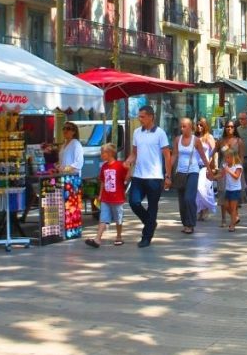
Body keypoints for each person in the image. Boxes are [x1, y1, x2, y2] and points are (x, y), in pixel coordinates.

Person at [124, 105, 172, 248]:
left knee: (152, 208)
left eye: (142, 116)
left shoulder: (160, 133)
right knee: (134, 202)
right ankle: (151, 223)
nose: (140, 119)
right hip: (138, 175)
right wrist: (128, 162)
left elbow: (167, 155)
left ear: (151, 116)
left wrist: (168, 176)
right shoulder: (137, 132)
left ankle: (146, 236)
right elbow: (134, 153)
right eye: (139, 116)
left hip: (154, 177)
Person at [172, 117, 211, 234]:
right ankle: (185, 224)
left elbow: (203, 156)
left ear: (190, 127)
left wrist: (209, 170)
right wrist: (167, 172)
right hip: (180, 172)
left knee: (189, 198)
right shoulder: (177, 139)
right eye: (181, 126)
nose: (182, 128)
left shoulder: (196, 140)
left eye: (184, 126)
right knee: (182, 200)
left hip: (193, 172)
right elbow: (174, 155)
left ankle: (191, 223)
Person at [86, 144, 128, 248]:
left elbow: (127, 178)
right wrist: (100, 195)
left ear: (110, 153)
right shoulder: (104, 166)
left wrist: (129, 169)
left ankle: (119, 236)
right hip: (106, 197)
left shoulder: (120, 165)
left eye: (103, 153)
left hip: (117, 198)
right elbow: (103, 182)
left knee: (118, 218)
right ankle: (97, 239)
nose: (101, 155)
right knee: (103, 218)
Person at [216, 121, 243, 228]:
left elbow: (241, 157)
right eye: (227, 126)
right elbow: (214, 152)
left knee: (233, 198)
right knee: (223, 193)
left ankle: (234, 217)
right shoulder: (221, 141)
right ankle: (224, 218)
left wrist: (239, 170)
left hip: (235, 168)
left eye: (232, 126)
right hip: (223, 167)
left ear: (235, 128)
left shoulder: (238, 141)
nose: (229, 128)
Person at [195, 117, 217, 221]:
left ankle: (208, 207)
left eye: (201, 125)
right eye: (197, 125)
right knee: (196, 191)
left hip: (205, 167)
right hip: (195, 167)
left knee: (203, 189)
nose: (199, 127)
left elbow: (214, 151)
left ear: (205, 126)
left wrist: (211, 164)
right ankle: (200, 211)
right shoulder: (195, 138)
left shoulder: (209, 137)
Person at [221, 149, 243, 232]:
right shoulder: (225, 165)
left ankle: (232, 225)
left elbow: (236, 176)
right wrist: (213, 176)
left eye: (228, 158)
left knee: (233, 208)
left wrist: (229, 170)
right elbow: (222, 174)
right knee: (226, 206)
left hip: (235, 189)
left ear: (233, 158)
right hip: (228, 189)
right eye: (225, 158)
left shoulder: (238, 166)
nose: (226, 159)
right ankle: (235, 217)